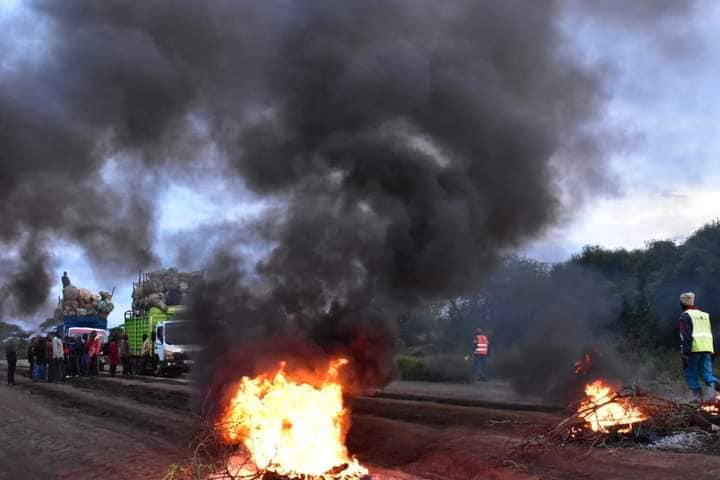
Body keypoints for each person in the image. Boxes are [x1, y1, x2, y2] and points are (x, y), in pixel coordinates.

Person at [679, 291, 720, 401]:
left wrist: (685, 353)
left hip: (693, 348)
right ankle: (716, 390)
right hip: (707, 347)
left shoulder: (685, 316)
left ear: (682, 304)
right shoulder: (704, 315)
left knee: (690, 373)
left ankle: (698, 399)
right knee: (707, 374)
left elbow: (686, 336)